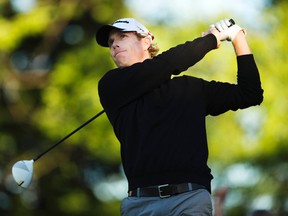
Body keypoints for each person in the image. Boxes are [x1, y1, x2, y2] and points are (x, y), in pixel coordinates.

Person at [95, 18, 263, 215]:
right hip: (140, 205)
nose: (114, 44)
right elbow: (166, 64)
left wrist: (237, 37)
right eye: (110, 42)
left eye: (122, 36)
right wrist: (210, 40)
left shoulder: (191, 89)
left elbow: (250, 93)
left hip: (189, 200)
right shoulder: (110, 86)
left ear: (146, 41)